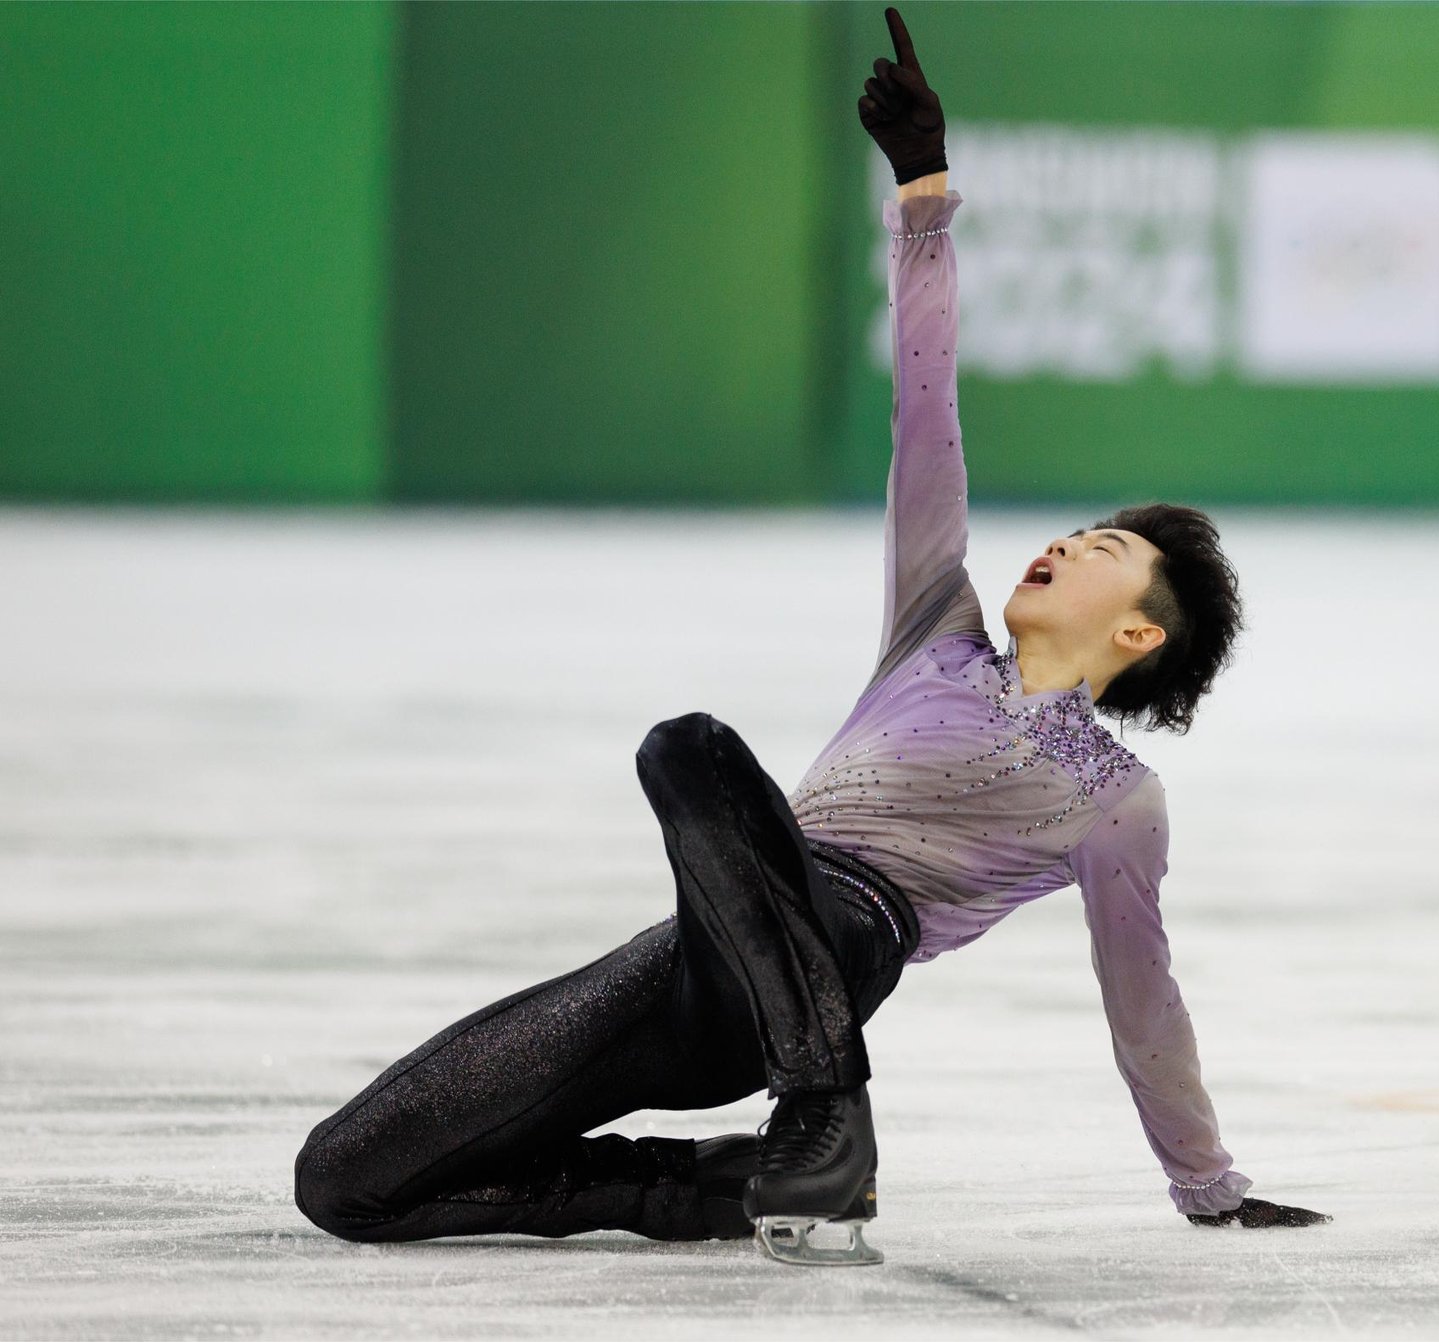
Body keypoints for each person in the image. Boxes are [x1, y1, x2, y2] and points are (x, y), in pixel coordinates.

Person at [292, 5, 1329, 1269]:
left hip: (839, 948)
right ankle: (709, 1187)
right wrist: (923, 189)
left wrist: (1208, 1184)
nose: (1058, 544)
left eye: (1101, 551)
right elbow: (925, 410)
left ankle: (826, 1107)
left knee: (689, 748)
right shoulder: (930, 636)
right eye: (1073, 530)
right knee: (348, 1182)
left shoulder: (1115, 797)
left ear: (1133, 629)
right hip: (688, 966)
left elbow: (1146, 1005)